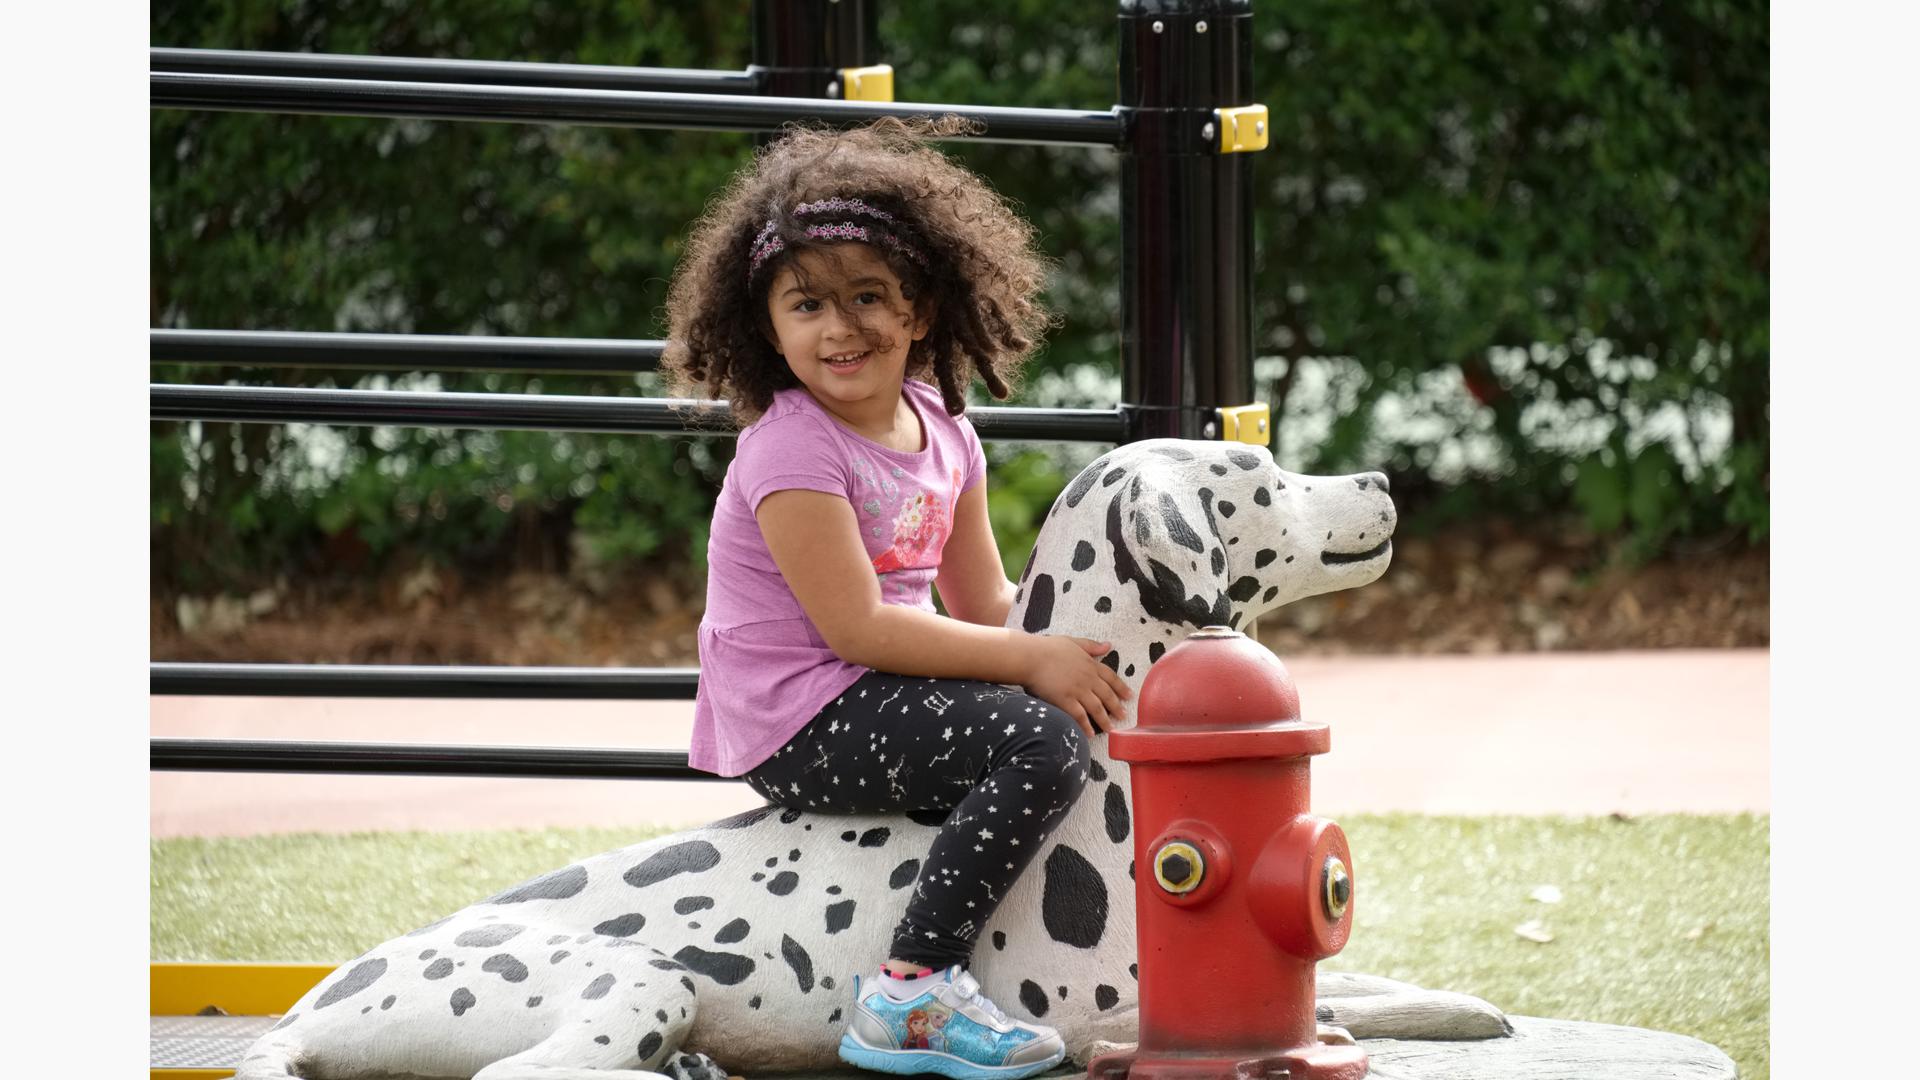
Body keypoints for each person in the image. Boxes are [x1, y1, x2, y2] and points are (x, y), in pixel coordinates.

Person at [662, 117, 1132, 1080]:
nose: (842, 329)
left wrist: (1092, 646)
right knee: (1035, 735)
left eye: (870, 297)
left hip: (874, 689)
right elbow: (859, 628)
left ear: (921, 308)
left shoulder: (946, 432)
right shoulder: (791, 449)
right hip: (801, 713)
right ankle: (912, 988)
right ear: (768, 329)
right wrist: (1032, 666)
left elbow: (983, 599)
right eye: (808, 306)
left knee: (1066, 705)